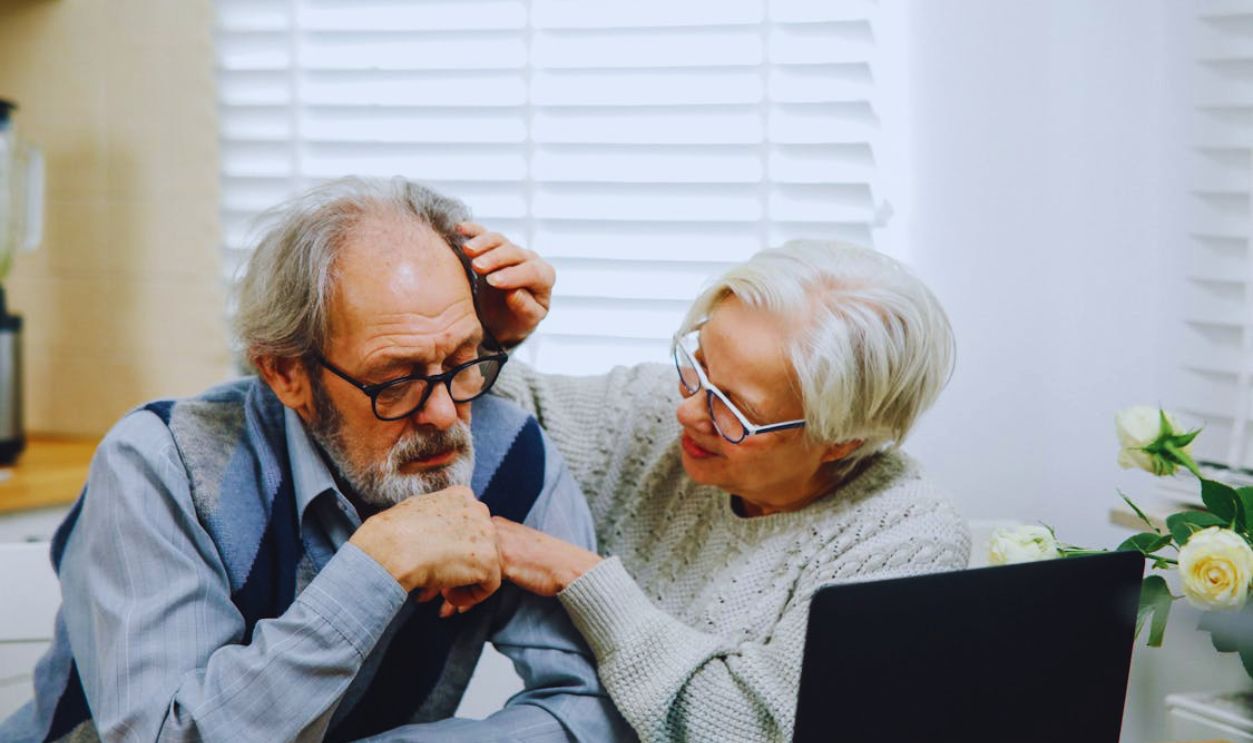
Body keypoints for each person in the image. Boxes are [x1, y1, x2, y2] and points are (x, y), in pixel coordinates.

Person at [0, 177, 633, 743]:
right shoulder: (160, 467)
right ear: (286, 374)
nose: (444, 413)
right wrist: (378, 567)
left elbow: (594, 706)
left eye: (464, 358)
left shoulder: (506, 453)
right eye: (396, 378)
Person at [482, 239, 971, 742]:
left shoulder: (902, 541)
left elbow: (753, 730)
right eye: (698, 366)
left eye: (735, 410)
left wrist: (577, 575)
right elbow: (495, 422)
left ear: (839, 440)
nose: (687, 412)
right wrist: (488, 339)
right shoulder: (656, 412)